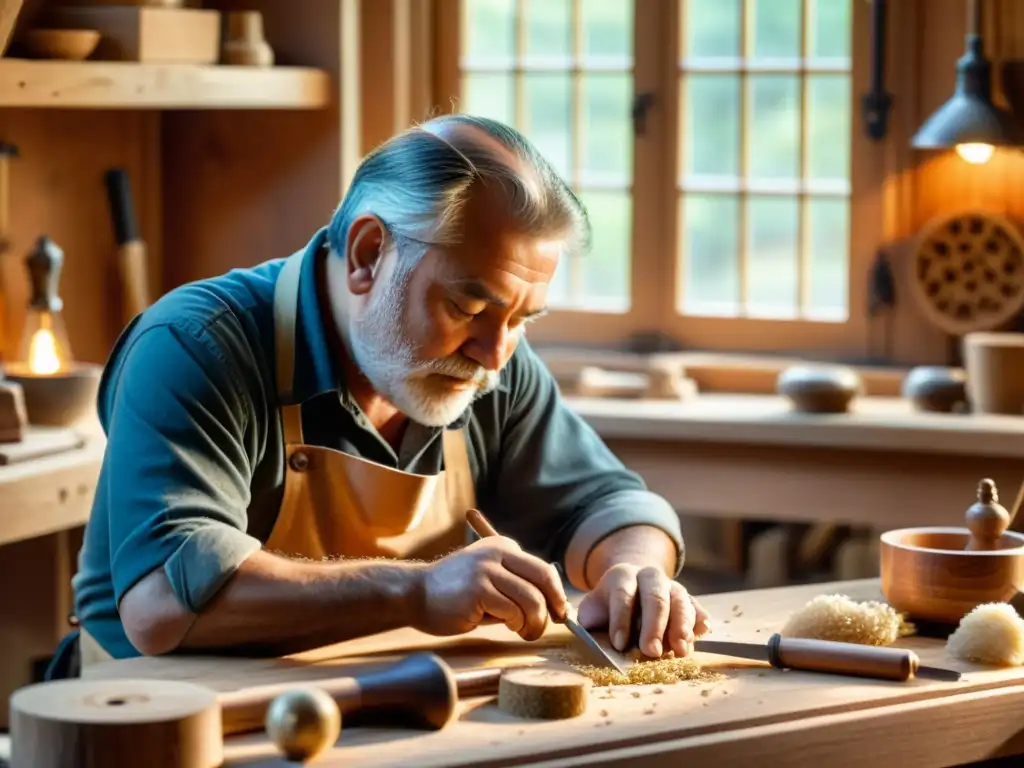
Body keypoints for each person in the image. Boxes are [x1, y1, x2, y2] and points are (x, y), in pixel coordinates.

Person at [57, 115, 711, 676]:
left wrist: (636, 571)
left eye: (522, 320)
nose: (495, 354)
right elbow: (163, 606)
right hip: (153, 726)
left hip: (370, 711)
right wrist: (416, 590)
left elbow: (604, 502)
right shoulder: (198, 346)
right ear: (370, 253)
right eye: (466, 304)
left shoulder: (489, 359)